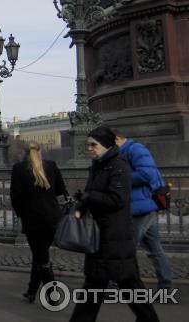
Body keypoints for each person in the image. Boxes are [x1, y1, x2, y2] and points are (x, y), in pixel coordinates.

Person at [69, 126, 159, 322]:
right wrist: (80, 208)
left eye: (94, 144)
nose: (90, 149)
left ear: (107, 144)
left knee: (120, 285)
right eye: (88, 145)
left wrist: (89, 196)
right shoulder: (98, 166)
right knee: (107, 286)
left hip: (114, 236)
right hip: (102, 236)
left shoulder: (119, 166)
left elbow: (117, 199)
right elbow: (91, 195)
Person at [114, 129, 172, 290]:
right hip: (144, 205)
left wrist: (119, 178)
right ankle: (165, 285)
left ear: (118, 139)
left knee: (126, 247)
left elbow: (147, 174)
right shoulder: (127, 151)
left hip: (141, 207)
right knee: (154, 247)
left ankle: (121, 283)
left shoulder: (135, 149)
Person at [10, 141, 68, 303]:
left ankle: (53, 295)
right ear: (40, 151)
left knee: (41, 258)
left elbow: (15, 196)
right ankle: (31, 290)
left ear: (25, 153)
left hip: (32, 219)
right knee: (40, 254)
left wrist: (22, 214)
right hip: (52, 218)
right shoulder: (52, 165)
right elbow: (61, 191)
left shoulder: (19, 169)